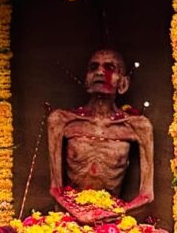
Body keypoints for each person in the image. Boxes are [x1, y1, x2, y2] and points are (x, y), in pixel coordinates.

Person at [47, 47, 154, 224]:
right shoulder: (61, 120)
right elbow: (55, 189)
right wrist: (80, 215)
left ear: (123, 83)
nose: (99, 72)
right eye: (93, 67)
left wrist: (108, 214)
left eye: (109, 68)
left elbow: (146, 195)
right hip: (69, 218)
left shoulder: (138, 126)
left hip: (111, 219)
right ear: (86, 80)